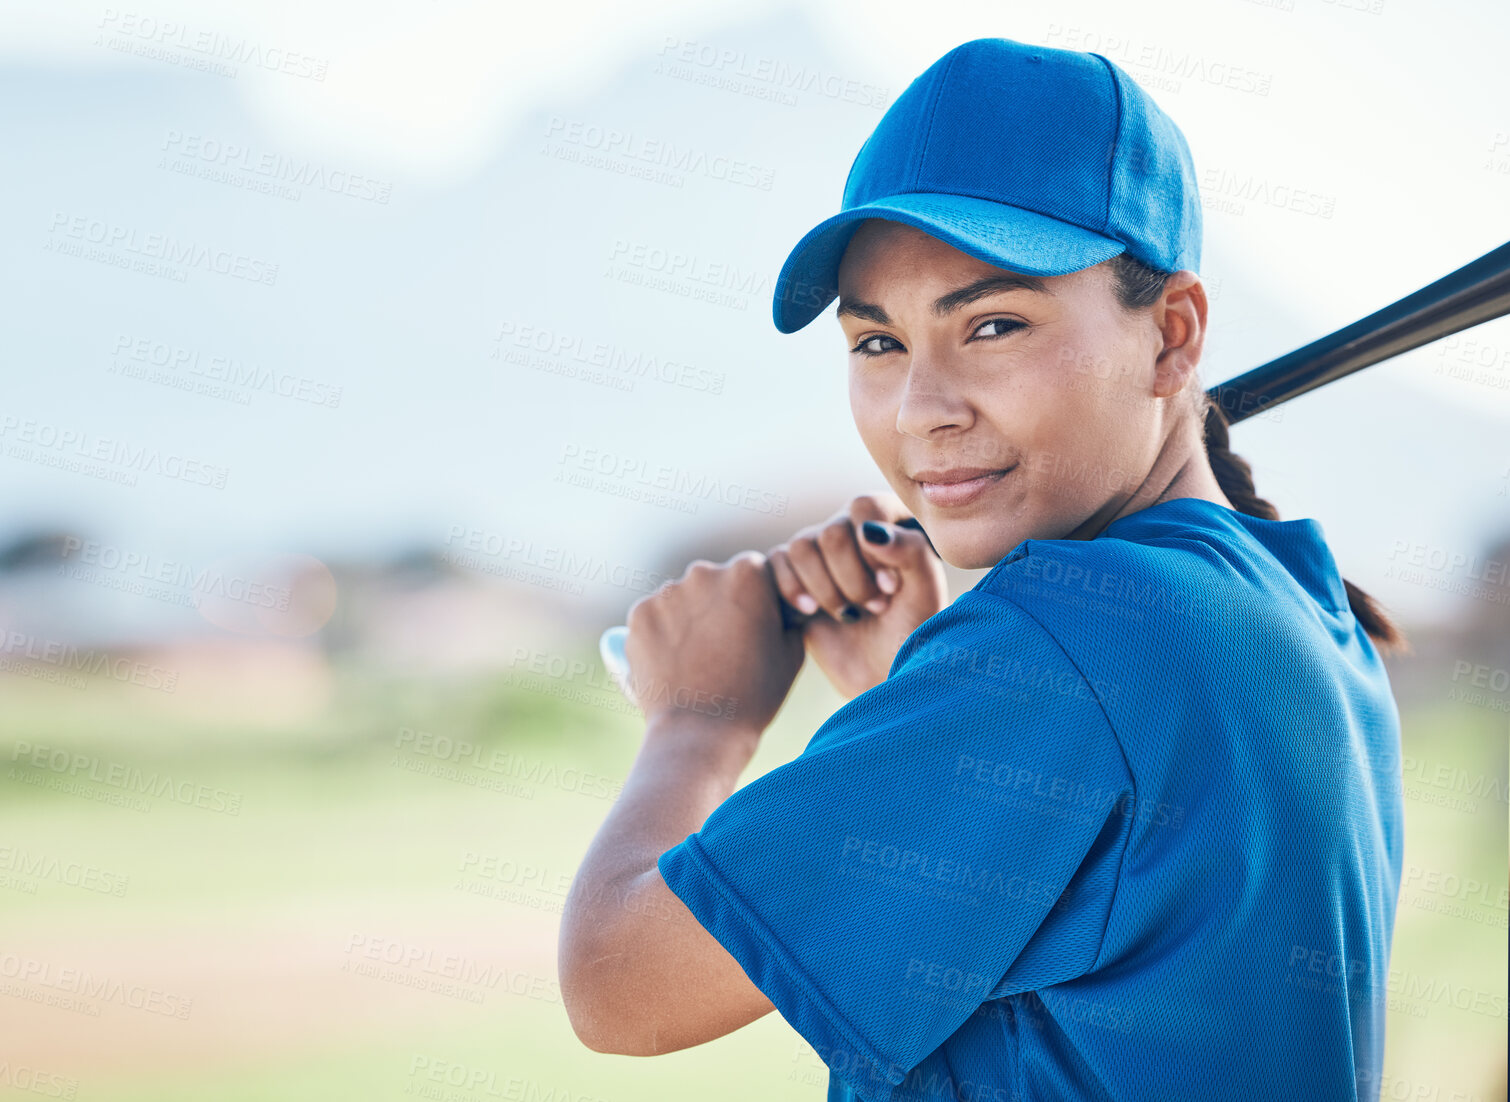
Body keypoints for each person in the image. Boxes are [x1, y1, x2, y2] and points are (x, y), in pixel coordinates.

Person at [556, 36, 1408, 1102]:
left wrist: (698, 721)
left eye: (993, 324)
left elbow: (616, 984)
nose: (921, 409)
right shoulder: (1292, 596)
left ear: (1171, 337)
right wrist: (913, 686)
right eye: (876, 344)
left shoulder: (1065, 639)